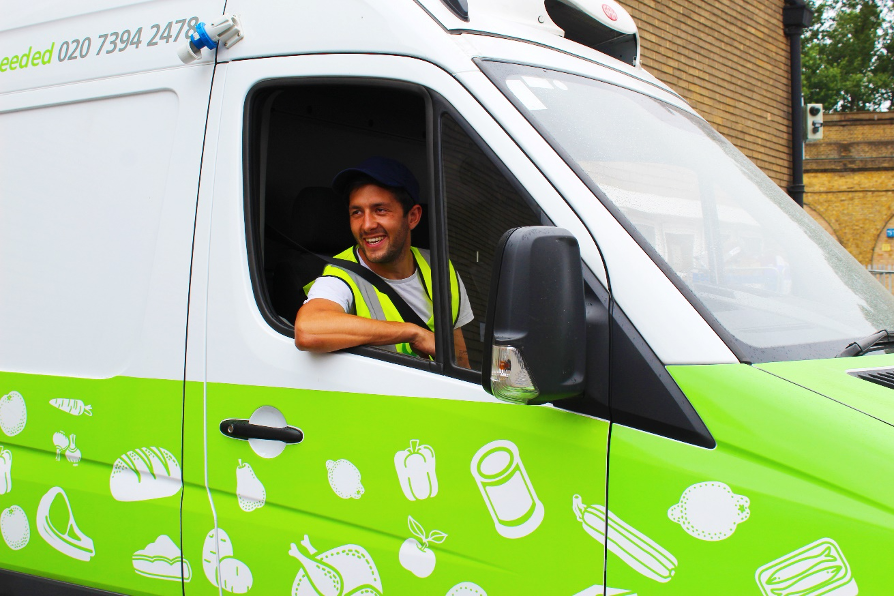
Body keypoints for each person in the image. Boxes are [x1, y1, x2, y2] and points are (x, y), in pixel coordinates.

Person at [295, 157, 473, 366]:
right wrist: (413, 333)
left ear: (413, 216)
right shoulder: (339, 276)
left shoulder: (439, 267)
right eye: (357, 212)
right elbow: (308, 330)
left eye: (380, 210)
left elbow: (460, 360)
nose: (367, 225)